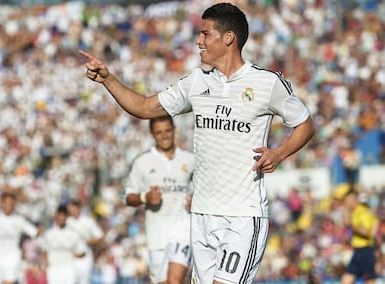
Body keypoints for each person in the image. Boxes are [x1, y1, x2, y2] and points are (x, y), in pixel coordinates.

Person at [79, 2, 315, 283]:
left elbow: (305, 124)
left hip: (241, 216)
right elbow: (143, 107)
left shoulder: (267, 82)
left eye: (205, 34)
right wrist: (108, 80)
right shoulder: (195, 82)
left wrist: (279, 153)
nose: (198, 41)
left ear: (229, 38)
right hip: (201, 214)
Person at [124, 115, 195, 284]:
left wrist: (196, 199)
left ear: (174, 130)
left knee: (175, 281)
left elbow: (205, 188)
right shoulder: (142, 162)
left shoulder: (190, 159)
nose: (164, 136)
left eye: (168, 131)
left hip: (183, 230)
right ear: (152, 133)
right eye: (159, 132)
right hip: (156, 236)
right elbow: (128, 197)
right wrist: (145, 197)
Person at [0, 191, 39, 284]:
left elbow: (34, 232)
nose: (9, 206)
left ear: (14, 204)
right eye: (6, 203)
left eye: (11, 203)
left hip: (13, 259)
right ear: (2, 203)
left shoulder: (19, 220)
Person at [40, 205, 87, 284]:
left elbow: (82, 250)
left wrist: (77, 254)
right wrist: (46, 262)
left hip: (69, 269)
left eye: (64, 215)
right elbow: (44, 249)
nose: (62, 218)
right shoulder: (49, 234)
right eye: (60, 215)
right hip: (54, 269)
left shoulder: (73, 234)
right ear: (56, 216)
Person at [341, 189, 379, 284]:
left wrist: (351, 225)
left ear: (353, 200)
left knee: (370, 279)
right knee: (346, 279)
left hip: (366, 250)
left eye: (347, 201)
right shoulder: (354, 212)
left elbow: (367, 232)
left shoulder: (363, 212)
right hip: (357, 251)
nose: (346, 204)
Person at [66, 199, 105, 284]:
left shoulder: (88, 221)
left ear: (78, 208)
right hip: (70, 258)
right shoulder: (67, 222)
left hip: (85, 257)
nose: (70, 211)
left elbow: (100, 237)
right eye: (69, 209)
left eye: (72, 208)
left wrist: (89, 241)